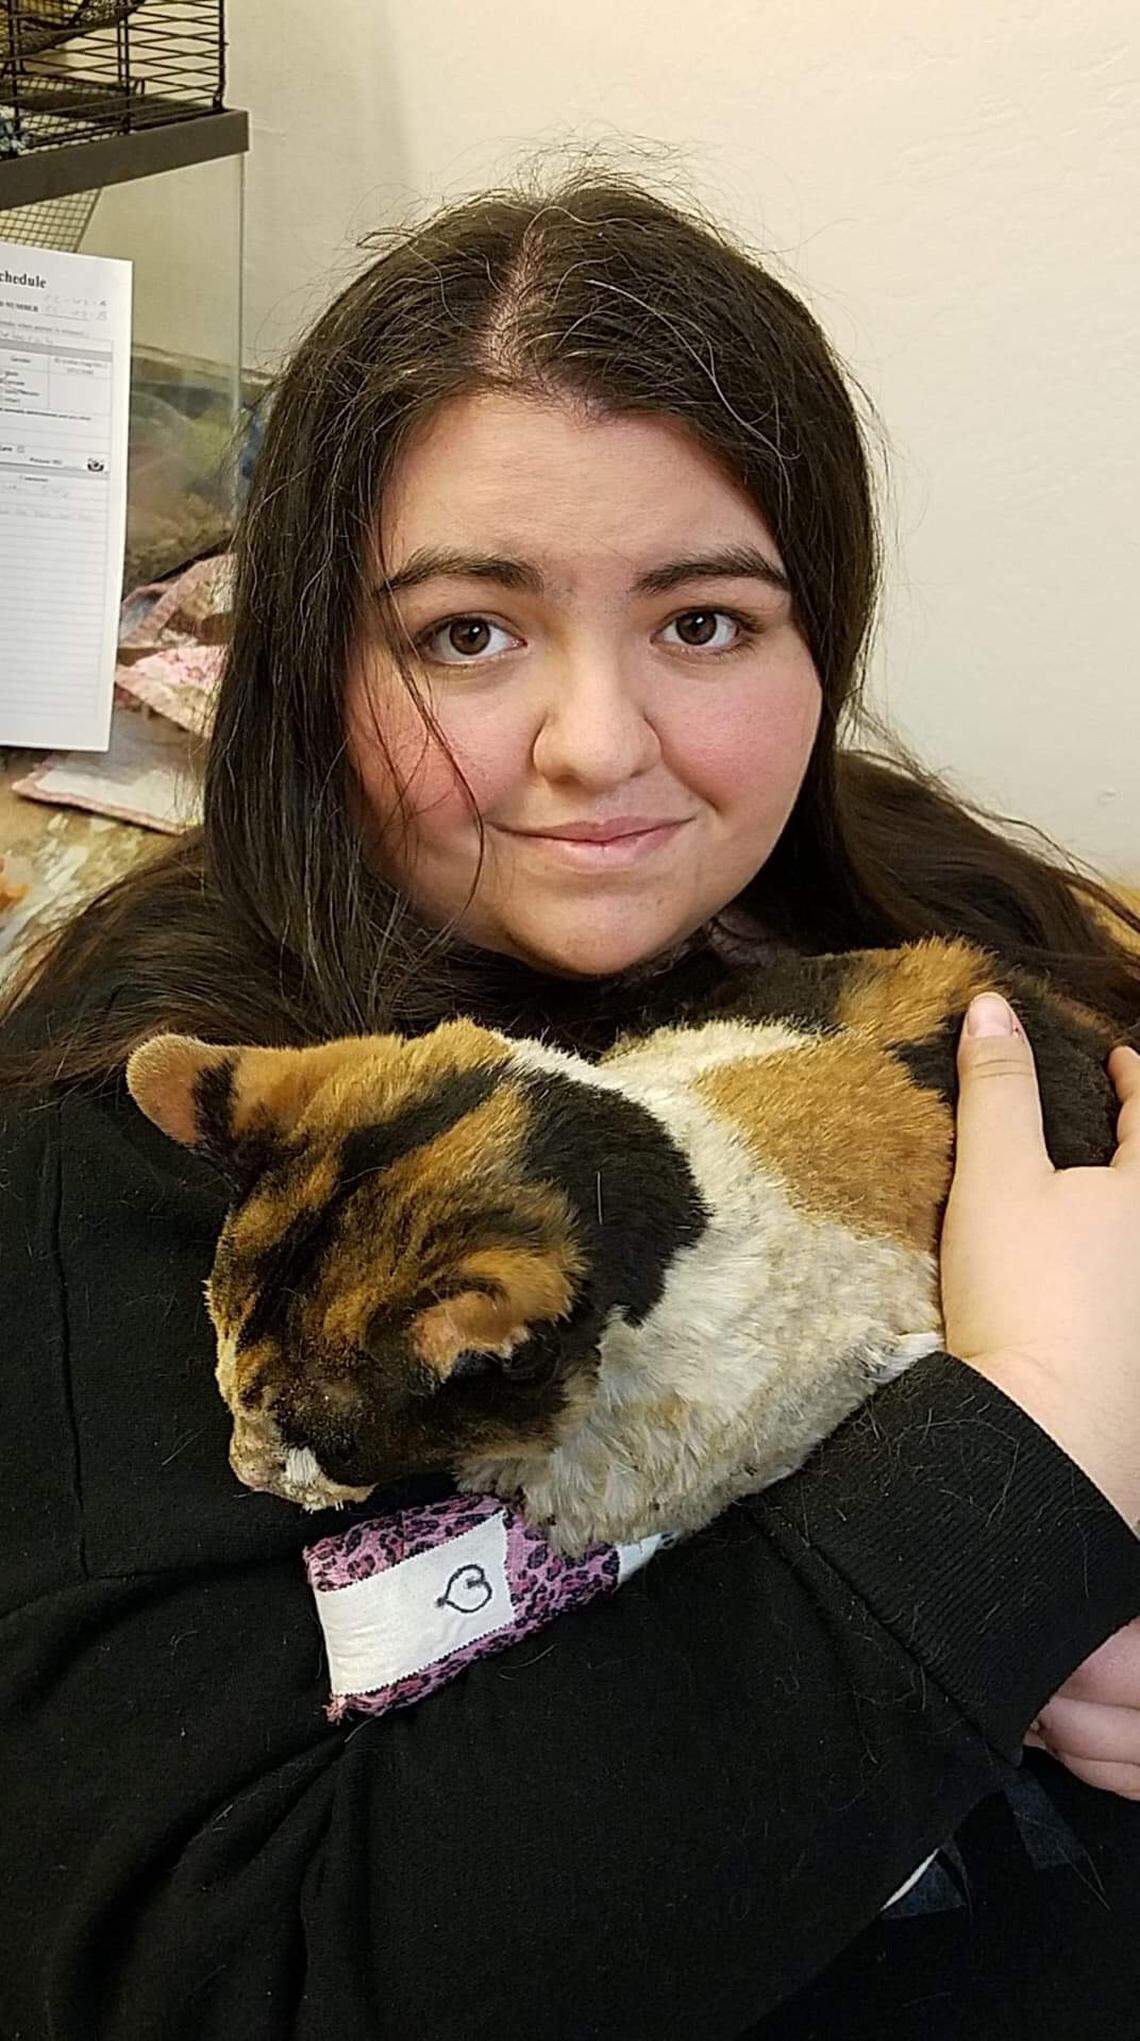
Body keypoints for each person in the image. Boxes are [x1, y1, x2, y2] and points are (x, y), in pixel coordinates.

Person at [1, 161, 1138, 2041]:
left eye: (705, 623)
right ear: (312, 664)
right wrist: (1029, 1465)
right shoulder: (168, 1165)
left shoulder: (940, 928)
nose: (599, 745)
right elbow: (228, 1979)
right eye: (469, 631)